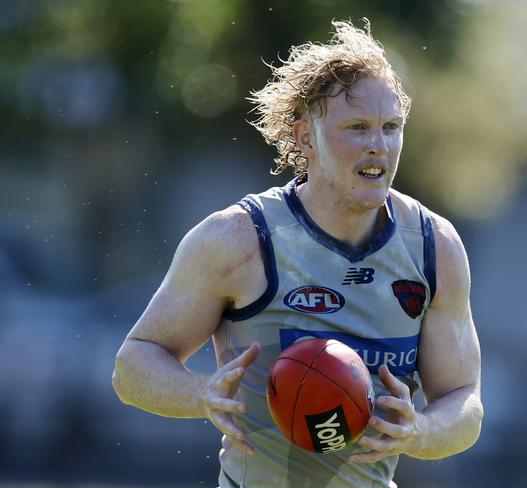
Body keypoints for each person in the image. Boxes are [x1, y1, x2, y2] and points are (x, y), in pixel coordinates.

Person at [112, 19, 483, 488]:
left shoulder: (435, 247)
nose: (379, 146)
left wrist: (422, 429)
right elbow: (133, 366)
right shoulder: (238, 239)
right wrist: (199, 393)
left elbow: (465, 402)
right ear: (305, 136)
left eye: (391, 127)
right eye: (357, 127)